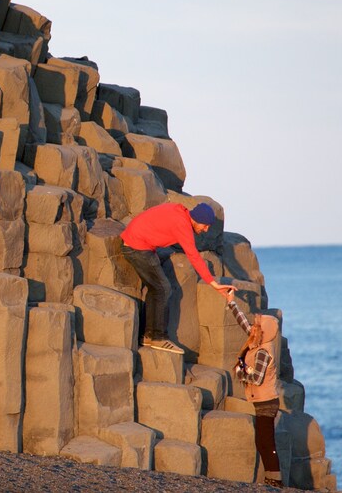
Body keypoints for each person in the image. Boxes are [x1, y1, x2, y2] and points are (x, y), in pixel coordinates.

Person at [120, 202, 236, 354]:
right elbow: (194, 256)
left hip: (138, 242)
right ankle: (158, 337)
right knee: (164, 289)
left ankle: (148, 335)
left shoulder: (179, 210)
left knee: (156, 288)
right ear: (196, 219)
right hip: (136, 247)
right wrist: (213, 283)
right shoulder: (183, 225)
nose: (206, 230)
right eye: (205, 225)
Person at [226, 290, 284, 488]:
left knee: (266, 443)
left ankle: (275, 481)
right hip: (262, 401)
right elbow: (244, 324)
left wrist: (240, 371)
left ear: (265, 330)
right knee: (263, 442)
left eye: (258, 325)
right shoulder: (257, 340)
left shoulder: (263, 352)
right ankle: (272, 479)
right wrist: (231, 303)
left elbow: (257, 379)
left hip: (267, 402)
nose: (253, 327)